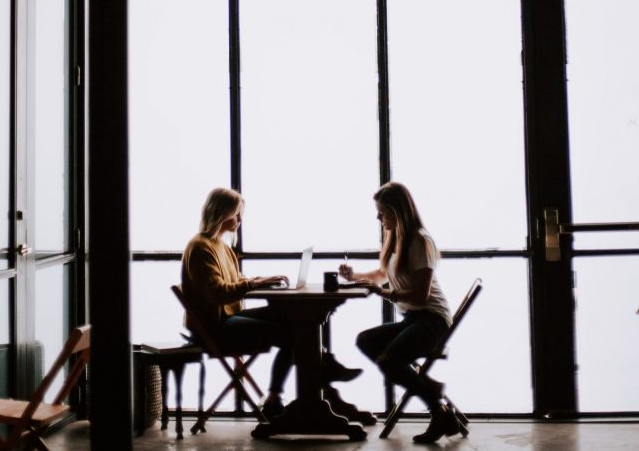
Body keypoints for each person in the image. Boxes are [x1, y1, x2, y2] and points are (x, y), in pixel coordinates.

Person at [181, 187, 361, 419]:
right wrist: (255, 284)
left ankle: (300, 386)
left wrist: (259, 281)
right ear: (221, 213)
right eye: (236, 214)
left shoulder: (221, 246)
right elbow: (218, 293)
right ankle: (322, 376)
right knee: (294, 334)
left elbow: (234, 282)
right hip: (213, 328)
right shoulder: (200, 247)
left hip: (225, 319)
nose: (240, 220)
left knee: (291, 319)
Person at [339, 182, 457, 444]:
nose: (378, 218)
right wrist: (354, 277)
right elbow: (383, 275)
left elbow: (420, 295)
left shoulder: (419, 241)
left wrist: (381, 292)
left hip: (432, 321)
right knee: (365, 340)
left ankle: (438, 411)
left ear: (397, 211)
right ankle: (432, 390)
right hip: (413, 318)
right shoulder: (397, 239)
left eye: (382, 212)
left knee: (388, 361)